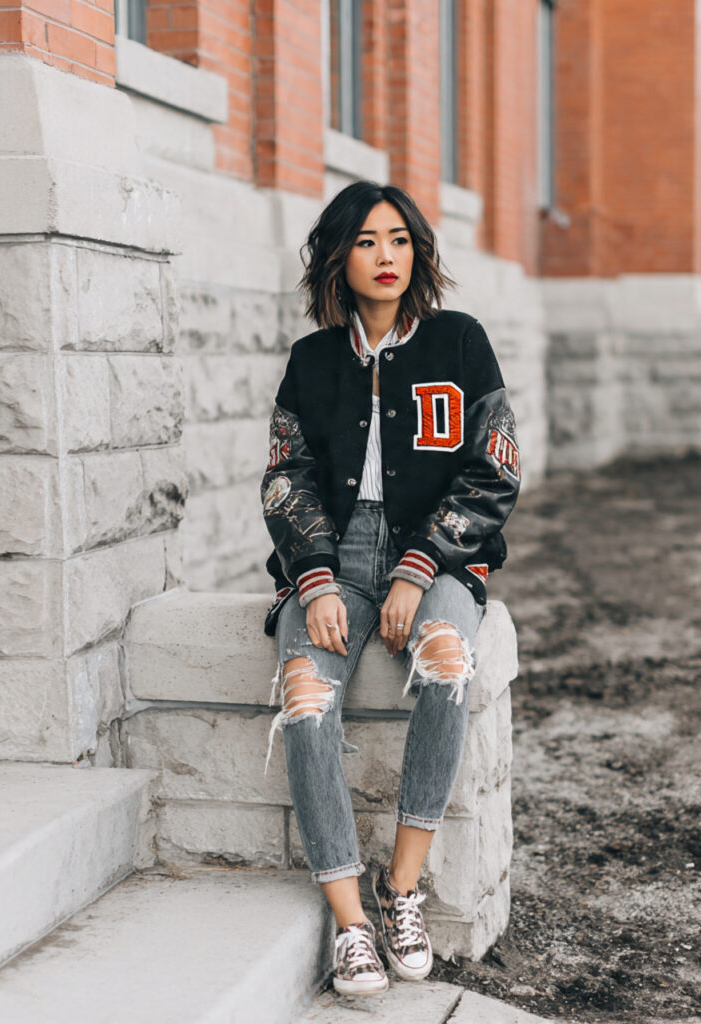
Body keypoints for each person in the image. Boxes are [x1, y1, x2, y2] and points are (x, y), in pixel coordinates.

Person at [260, 180, 521, 996]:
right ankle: (351, 921)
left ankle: (401, 889)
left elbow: (496, 467)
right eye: (369, 241)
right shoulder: (310, 361)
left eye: (400, 239)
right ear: (341, 256)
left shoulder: (460, 342)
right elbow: (285, 479)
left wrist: (418, 568)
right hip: (334, 559)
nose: (387, 257)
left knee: (447, 662)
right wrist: (314, 578)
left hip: (438, 555)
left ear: (419, 252)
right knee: (305, 697)